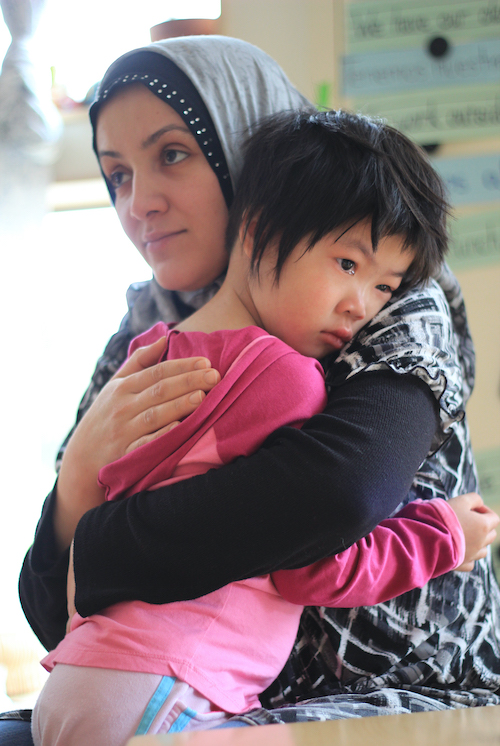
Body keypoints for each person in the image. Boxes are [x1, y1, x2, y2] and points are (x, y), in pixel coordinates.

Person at [2, 33, 498, 746]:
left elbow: (330, 495)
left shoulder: (386, 295)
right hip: (202, 689)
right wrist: (78, 476)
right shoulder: (146, 326)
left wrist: (96, 538)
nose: (139, 201)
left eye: (171, 154)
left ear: (253, 160)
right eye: (115, 175)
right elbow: (59, 613)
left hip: (407, 696)